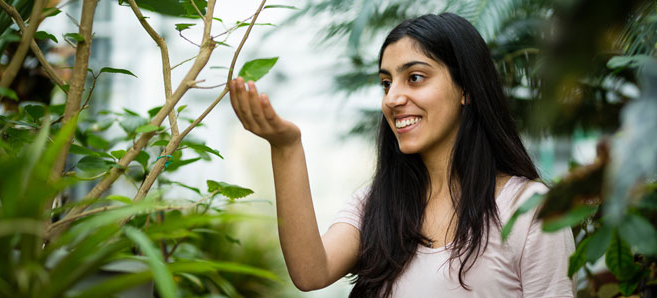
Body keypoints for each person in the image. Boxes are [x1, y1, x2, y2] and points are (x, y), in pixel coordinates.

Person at [228, 13, 575, 298]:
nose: (392, 97)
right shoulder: (376, 204)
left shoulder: (530, 209)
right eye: (386, 83)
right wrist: (286, 147)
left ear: (466, 89)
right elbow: (310, 272)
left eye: (415, 77)